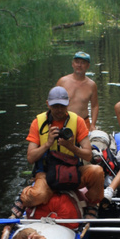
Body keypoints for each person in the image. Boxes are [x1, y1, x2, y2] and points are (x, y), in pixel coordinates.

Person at [20, 85, 104, 217]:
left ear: (68, 104)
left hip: (71, 172)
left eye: (62, 106)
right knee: (35, 197)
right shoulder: (38, 123)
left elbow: (88, 154)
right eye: (55, 106)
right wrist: (47, 144)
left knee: (97, 172)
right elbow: (30, 158)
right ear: (48, 104)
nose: (59, 110)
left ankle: (92, 203)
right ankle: (25, 196)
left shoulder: (78, 121)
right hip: (46, 174)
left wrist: (71, 147)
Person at [56, 51, 99, 131]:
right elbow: (53, 102)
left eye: (83, 63)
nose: (79, 65)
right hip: (64, 121)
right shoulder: (62, 81)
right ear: (73, 64)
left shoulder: (91, 85)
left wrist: (93, 125)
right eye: (77, 62)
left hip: (83, 122)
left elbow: (94, 106)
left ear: (88, 66)